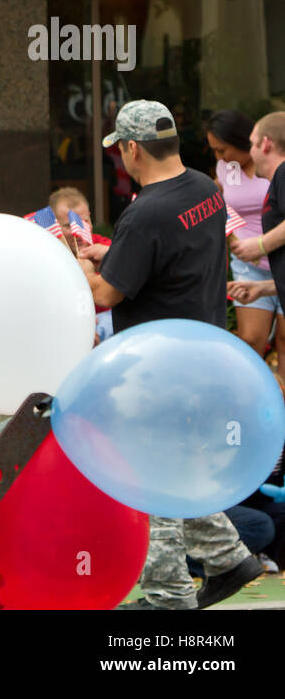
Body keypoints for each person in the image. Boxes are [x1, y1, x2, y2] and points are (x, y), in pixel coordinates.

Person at [78, 99, 261, 609]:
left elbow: (107, 294)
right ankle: (227, 559)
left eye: (121, 150)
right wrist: (114, 254)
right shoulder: (205, 188)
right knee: (174, 468)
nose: (121, 159)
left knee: (150, 476)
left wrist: (81, 264)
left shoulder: (144, 213)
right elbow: (169, 255)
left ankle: (168, 596)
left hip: (156, 366)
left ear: (133, 149)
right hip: (201, 352)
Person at [201, 110, 282, 361]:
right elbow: (224, 202)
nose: (219, 157)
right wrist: (233, 239)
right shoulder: (229, 168)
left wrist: (262, 244)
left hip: (279, 259)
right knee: (251, 339)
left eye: (222, 149)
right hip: (249, 265)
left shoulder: (276, 167)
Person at [49, 186, 114, 342]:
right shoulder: (47, 255)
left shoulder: (106, 248)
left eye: (84, 222)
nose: (77, 231)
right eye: (68, 225)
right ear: (54, 226)